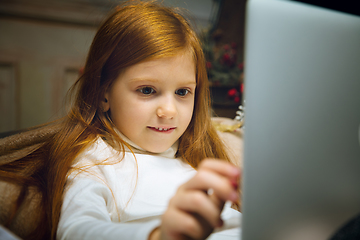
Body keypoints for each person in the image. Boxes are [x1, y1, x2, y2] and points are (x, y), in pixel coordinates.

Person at [0, 1, 241, 239]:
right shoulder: (97, 160)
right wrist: (158, 235)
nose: (169, 111)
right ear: (104, 94)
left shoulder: (196, 154)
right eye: (147, 90)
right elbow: (76, 230)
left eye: (182, 92)